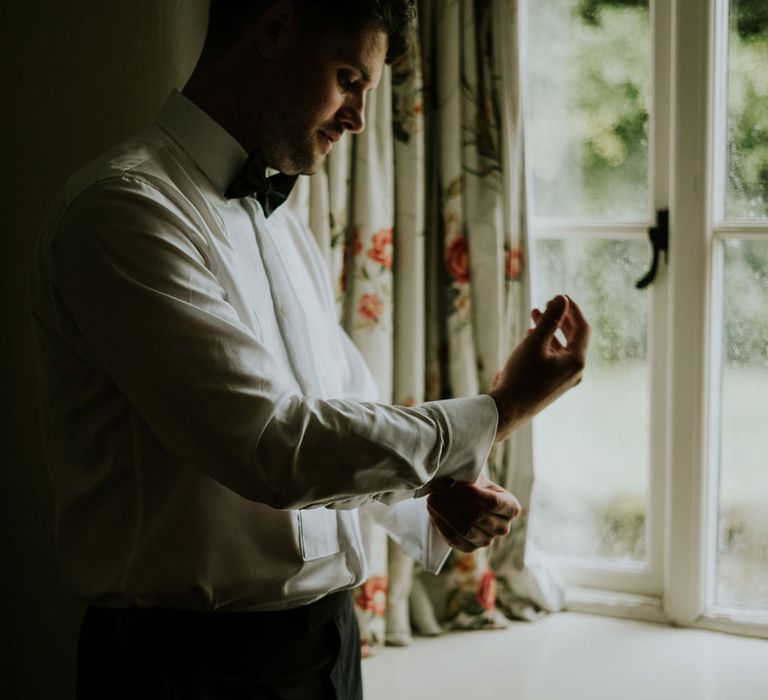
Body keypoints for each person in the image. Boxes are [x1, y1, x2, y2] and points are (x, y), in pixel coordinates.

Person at [30, 1, 589, 698]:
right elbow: (273, 444)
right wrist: (499, 409)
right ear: (272, 30)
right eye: (348, 78)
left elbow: (335, 418)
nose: (357, 117)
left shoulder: (284, 225)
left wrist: (431, 501)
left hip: (329, 644)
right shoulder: (122, 212)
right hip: (187, 666)